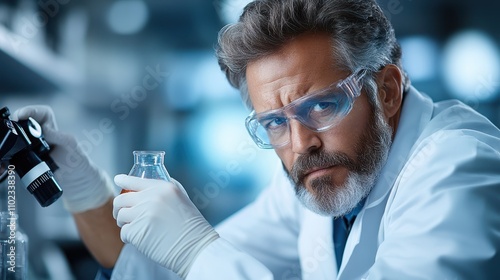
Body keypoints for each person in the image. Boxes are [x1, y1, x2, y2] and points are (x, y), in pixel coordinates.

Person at [13, 0, 500, 279]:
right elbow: (153, 269)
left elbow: (195, 258)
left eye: (323, 106)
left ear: (388, 90)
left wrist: (196, 248)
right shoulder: (320, 183)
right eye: (273, 122)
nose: (300, 141)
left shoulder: (457, 167)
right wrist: (80, 180)